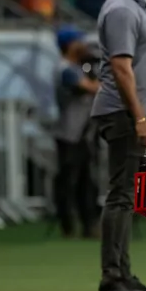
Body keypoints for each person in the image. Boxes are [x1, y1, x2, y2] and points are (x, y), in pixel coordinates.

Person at [91, 0, 146, 291]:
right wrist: (139, 116)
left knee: (126, 196)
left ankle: (123, 272)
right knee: (121, 195)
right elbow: (122, 67)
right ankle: (113, 276)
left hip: (131, 112)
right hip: (122, 111)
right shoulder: (121, 9)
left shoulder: (133, 8)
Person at [53, 27, 100, 239]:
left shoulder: (80, 67)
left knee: (86, 180)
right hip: (70, 133)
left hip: (83, 133)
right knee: (68, 180)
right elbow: (91, 88)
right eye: (79, 42)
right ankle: (67, 224)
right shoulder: (66, 69)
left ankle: (87, 224)